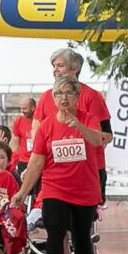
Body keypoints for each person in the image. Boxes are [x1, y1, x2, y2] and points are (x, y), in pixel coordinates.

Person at [14, 76, 104, 254]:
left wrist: (79, 126)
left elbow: (97, 140)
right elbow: (36, 162)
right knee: (55, 230)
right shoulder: (46, 126)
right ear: (53, 99)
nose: (63, 98)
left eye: (68, 93)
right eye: (58, 94)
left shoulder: (89, 119)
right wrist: (22, 192)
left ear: (77, 97)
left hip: (85, 188)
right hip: (55, 187)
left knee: (82, 236)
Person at [33, 48, 112, 201]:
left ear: (74, 68)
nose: (55, 70)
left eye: (60, 66)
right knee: (52, 219)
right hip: (54, 172)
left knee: (82, 222)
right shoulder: (45, 97)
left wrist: (80, 150)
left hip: (88, 172)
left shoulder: (91, 96)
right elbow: (36, 130)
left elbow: (106, 135)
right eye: (54, 66)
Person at [10, 96, 36, 177]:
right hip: (23, 161)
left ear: (33, 108)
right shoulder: (18, 121)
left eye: (25, 108)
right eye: (21, 108)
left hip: (37, 159)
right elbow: (15, 144)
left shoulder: (40, 121)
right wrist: (14, 161)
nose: (22, 111)